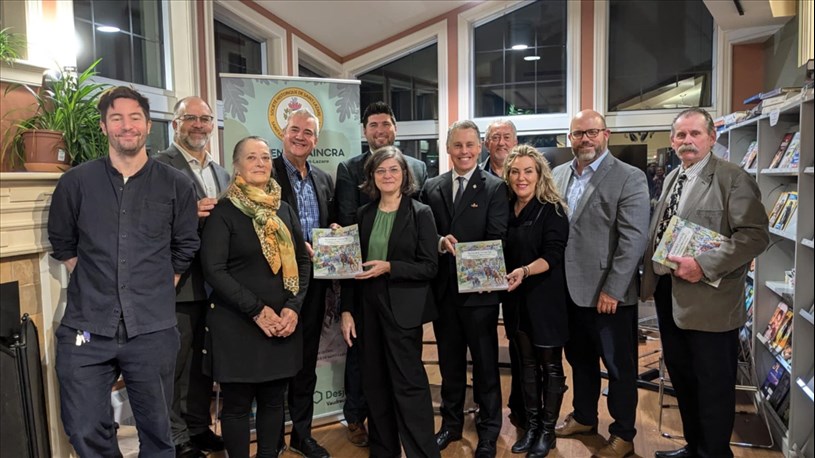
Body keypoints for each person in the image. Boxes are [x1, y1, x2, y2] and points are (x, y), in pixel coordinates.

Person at [48, 86, 200, 457]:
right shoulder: (76, 183)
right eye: (116, 118)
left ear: (148, 125)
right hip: (87, 326)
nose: (126, 126)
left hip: (152, 328)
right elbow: (63, 242)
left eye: (135, 118)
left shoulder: (176, 184)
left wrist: (159, 284)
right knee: (84, 427)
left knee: (158, 431)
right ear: (104, 126)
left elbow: (185, 245)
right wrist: (97, 278)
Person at [641, 108, 769, 458]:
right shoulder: (673, 176)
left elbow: (755, 236)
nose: (687, 141)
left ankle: (714, 453)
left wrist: (703, 265)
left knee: (712, 386)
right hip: (670, 295)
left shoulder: (733, 178)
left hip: (711, 303)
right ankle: (695, 447)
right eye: (681, 135)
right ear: (672, 141)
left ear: (712, 137)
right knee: (684, 379)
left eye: (695, 133)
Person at [200, 136, 311, 458]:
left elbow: (302, 262)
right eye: (251, 157)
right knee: (236, 406)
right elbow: (214, 270)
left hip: (282, 324)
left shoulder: (283, 209)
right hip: (237, 324)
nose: (260, 163)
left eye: (264, 157)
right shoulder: (223, 212)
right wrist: (257, 311)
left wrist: (293, 308)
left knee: (274, 401)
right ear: (236, 166)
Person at [551, 109, 650, 458]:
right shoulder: (558, 174)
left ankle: (623, 434)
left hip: (610, 296)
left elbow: (634, 239)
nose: (585, 139)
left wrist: (614, 288)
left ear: (606, 134)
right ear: (570, 138)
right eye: (578, 134)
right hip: (569, 291)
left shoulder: (629, 177)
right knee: (580, 361)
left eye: (592, 132)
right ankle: (584, 416)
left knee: (619, 368)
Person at [334, 101, 428, 446]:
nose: (388, 175)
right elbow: (352, 258)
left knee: (408, 384)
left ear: (405, 174)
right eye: (380, 171)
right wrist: (347, 308)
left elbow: (427, 263)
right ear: (371, 177)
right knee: (373, 382)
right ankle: (382, 447)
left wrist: (391, 267)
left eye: (394, 170)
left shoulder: (420, 212)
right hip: (367, 306)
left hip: (403, 306)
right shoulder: (364, 215)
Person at [420, 120, 509, 458]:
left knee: (485, 367)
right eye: (457, 145)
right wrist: (439, 241)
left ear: (480, 147)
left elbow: (498, 237)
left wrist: (474, 263)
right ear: (447, 148)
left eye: (470, 145)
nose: (464, 151)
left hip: (480, 294)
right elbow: (422, 232)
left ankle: (488, 431)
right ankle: (451, 424)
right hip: (444, 294)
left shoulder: (495, 188)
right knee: (450, 365)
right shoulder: (431, 187)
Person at [155, 96, 229, 458]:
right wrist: (188, 214)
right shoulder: (158, 167)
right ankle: (176, 436)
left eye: (205, 118)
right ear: (175, 124)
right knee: (175, 364)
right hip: (179, 283)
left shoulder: (222, 173)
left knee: (203, 362)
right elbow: (147, 223)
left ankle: (198, 427)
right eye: (190, 118)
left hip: (216, 285)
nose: (198, 125)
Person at [272, 109, 334, 458]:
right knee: (274, 361)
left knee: (306, 362)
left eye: (308, 132)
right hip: (277, 284)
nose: (300, 137)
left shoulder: (323, 179)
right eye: (294, 130)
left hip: (316, 283)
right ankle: (272, 437)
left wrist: (334, 232)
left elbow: (331, 221)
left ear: (316, 140)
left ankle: (301, 433)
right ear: (283, 133)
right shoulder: (267, 173)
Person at [502, 145, 570, 458]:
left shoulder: (552, 209)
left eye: (528, 171)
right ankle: (530, 427)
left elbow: (553, 255)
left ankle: (547, 430)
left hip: (545, 298)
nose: (522, 177)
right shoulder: (506, 208)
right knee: (526, 365)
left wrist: (525, 271)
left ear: (540, 174)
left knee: (550, 365)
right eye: (515, 171)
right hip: (515, 300)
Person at [480, 119, 526, 430]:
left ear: (515, 140)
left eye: (506, 136)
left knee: (519, 340)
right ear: (486, 143)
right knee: (483, 343)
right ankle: (486, 409)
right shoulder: (477, 178)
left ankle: (521, 408)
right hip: (483, 274)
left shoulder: (524, 175)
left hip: (519, 273)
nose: (501, 142)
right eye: (494, 137)